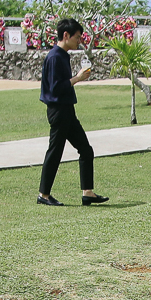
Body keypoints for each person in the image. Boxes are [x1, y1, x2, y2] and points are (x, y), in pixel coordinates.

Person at [37, 18, 106, 207]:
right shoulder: (55, 57)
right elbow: (55, 88)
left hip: (67, 110)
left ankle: (88, 192)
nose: (79, 41)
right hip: (58, 111)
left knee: (85, 149)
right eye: (77, 37)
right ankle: (44, 195)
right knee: (55, 152)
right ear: (65, 35)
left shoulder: (63, 56)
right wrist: (77, 78)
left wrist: (76, 78)